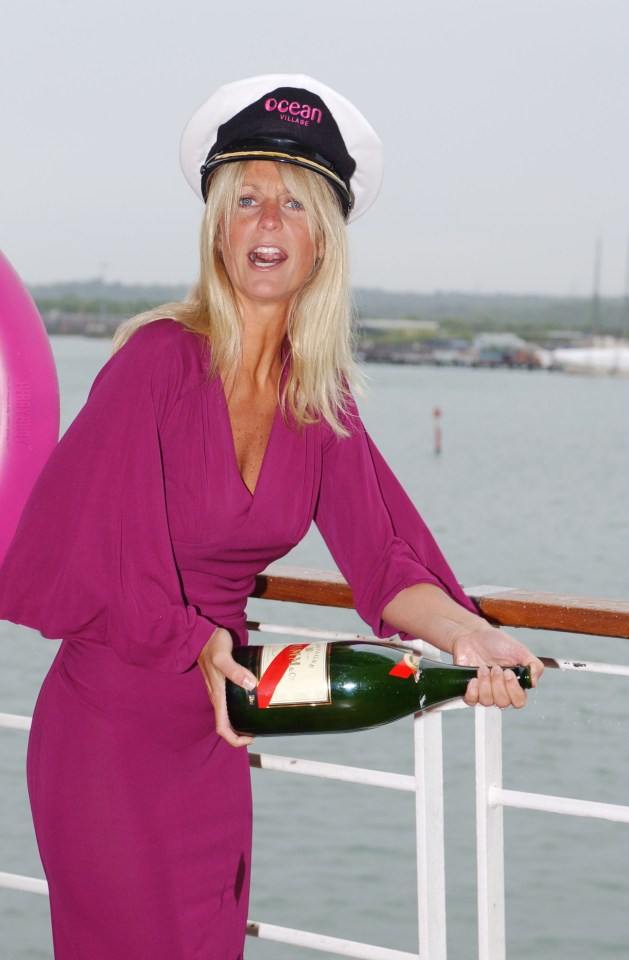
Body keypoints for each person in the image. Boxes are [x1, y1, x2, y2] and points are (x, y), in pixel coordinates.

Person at [0, 74, 543, 960]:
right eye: (244, 198)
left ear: (322, 244)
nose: (265, 222)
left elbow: (385, 555)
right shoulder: (156, 364)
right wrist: (194, 642)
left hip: (218, 730)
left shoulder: (314, 394)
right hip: (109, 735)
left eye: (292, 204)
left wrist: (463, 638)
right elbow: (69, 556)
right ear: (217, 225)